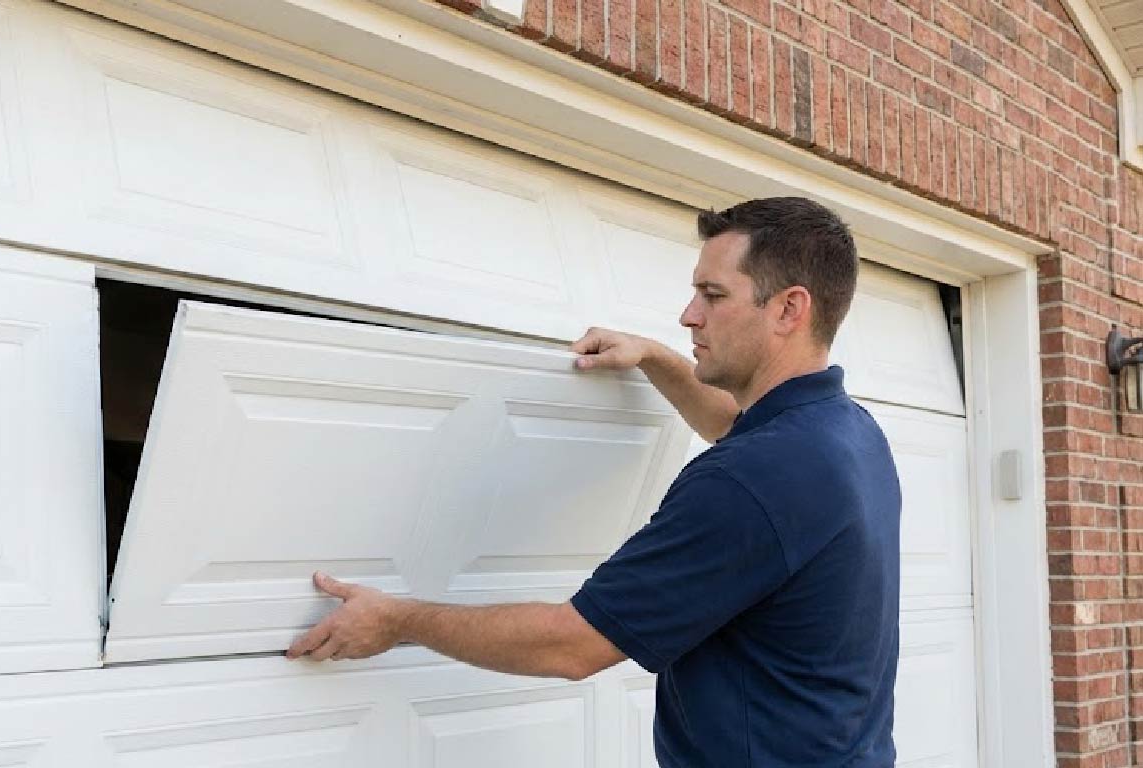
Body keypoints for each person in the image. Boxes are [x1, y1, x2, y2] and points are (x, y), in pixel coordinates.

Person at [286, 196, 901, 767]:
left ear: (789, 309)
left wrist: (397, 620)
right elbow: (732, 425)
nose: (689, 316)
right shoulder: (846, 435)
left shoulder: (751, 477)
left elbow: (572, 645)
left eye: (713, 295)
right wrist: (657, 357)